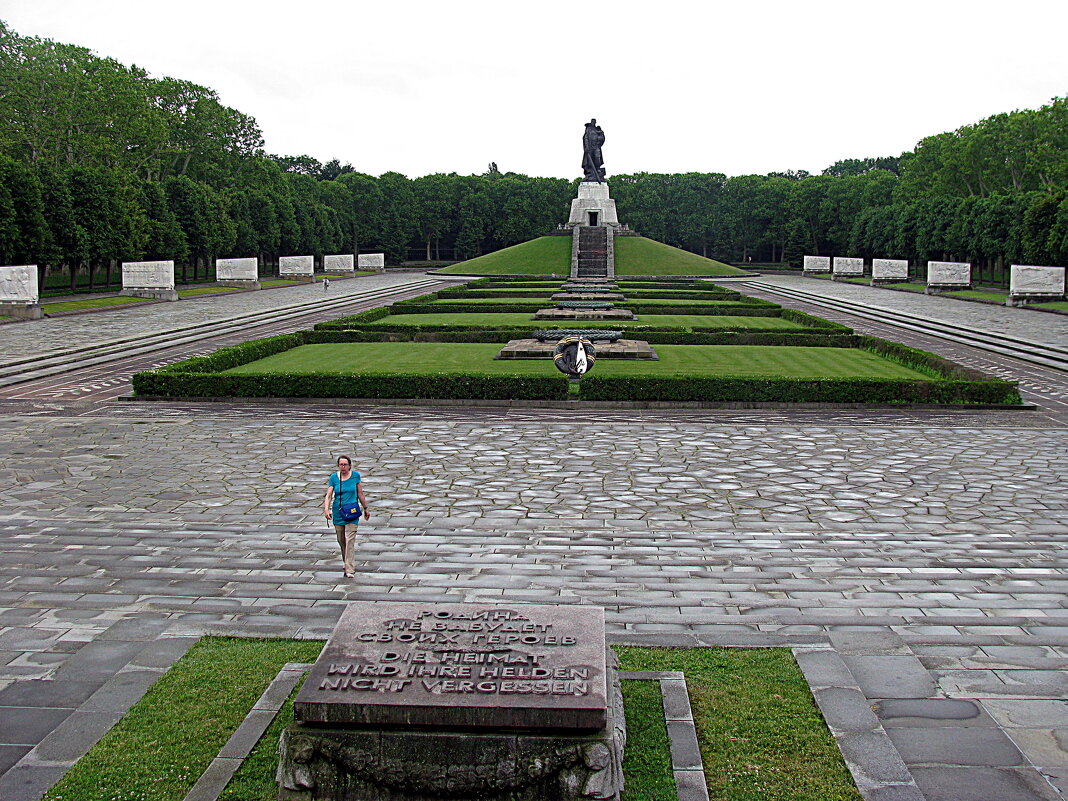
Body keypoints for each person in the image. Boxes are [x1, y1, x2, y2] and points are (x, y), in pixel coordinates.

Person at [323, 455, 369, 578]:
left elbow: (360, 493)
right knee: (341, 539)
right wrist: (326, 509)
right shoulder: (334, 477)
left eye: (345, 464)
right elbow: (328, 495)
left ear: (349, 466)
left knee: (350, 540)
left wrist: (365, 508)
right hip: (339, 512)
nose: (343, 467)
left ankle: (350, 568)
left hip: (352, 512)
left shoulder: (355, 476)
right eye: (341, 464)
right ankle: (346, 560)